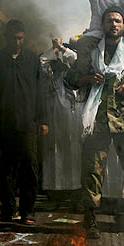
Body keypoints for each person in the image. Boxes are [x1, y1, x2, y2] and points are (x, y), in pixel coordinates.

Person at [75, 8, 124, 239]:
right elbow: (72, 79)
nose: (114, 24)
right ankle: (90, 218)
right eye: (109, 20)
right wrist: (88, 78)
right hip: (97, 119)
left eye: (118, 21)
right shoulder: (92, 52)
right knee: (92, 170)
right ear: (103, 24)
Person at [0, 19, 48, 224]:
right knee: (4, 168)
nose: (17, 42)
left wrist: (43, 119)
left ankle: (27, 210)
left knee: (29, 167)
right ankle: (8, 208)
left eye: (20, 38)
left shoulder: (31, 60)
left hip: (27, 122)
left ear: (24, 37)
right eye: (13, 38)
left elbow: (40, 91)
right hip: (2, 123)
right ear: (6, 37)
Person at [39, 36, 83, 210]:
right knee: (56, 156)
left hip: (75, 124)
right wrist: (54, 50)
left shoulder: (78, 75)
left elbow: (77, 60)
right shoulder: (53, 78)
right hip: (56, 123)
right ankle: (56, 194)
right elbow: (42, 61)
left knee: (76, 158)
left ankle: (77, 196)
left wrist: (63, 49)